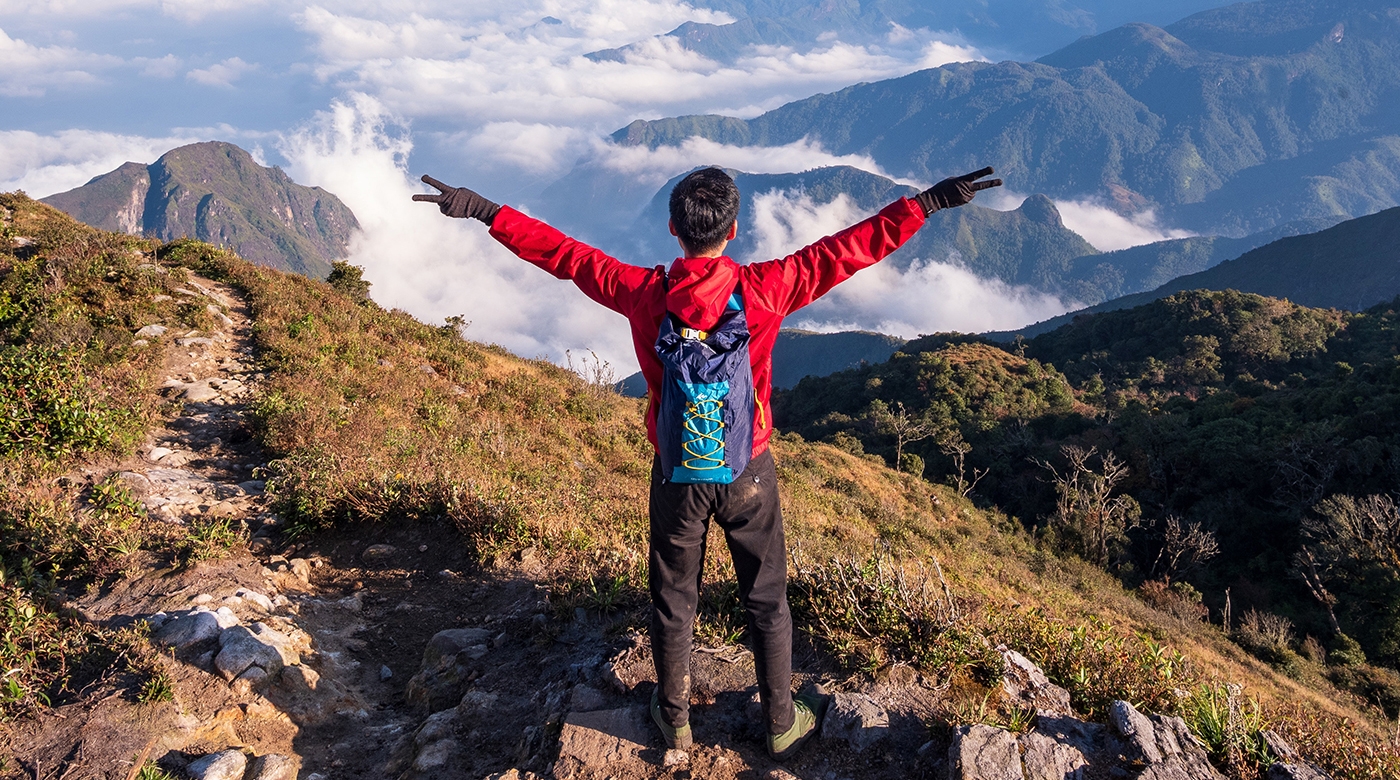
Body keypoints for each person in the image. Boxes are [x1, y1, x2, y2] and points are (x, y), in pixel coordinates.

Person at [412, 165, 1001, 759]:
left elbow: (567, 256)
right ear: (735, 228)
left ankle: (674, 720)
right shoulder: (769, 287)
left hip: (676, 472)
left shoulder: (644, 293)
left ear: (672, 228)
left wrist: (486, 210)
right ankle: (780, 722)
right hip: (749, 470)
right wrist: (925, 203)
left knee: (674, 597)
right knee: (766, 598)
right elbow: (847, 250)